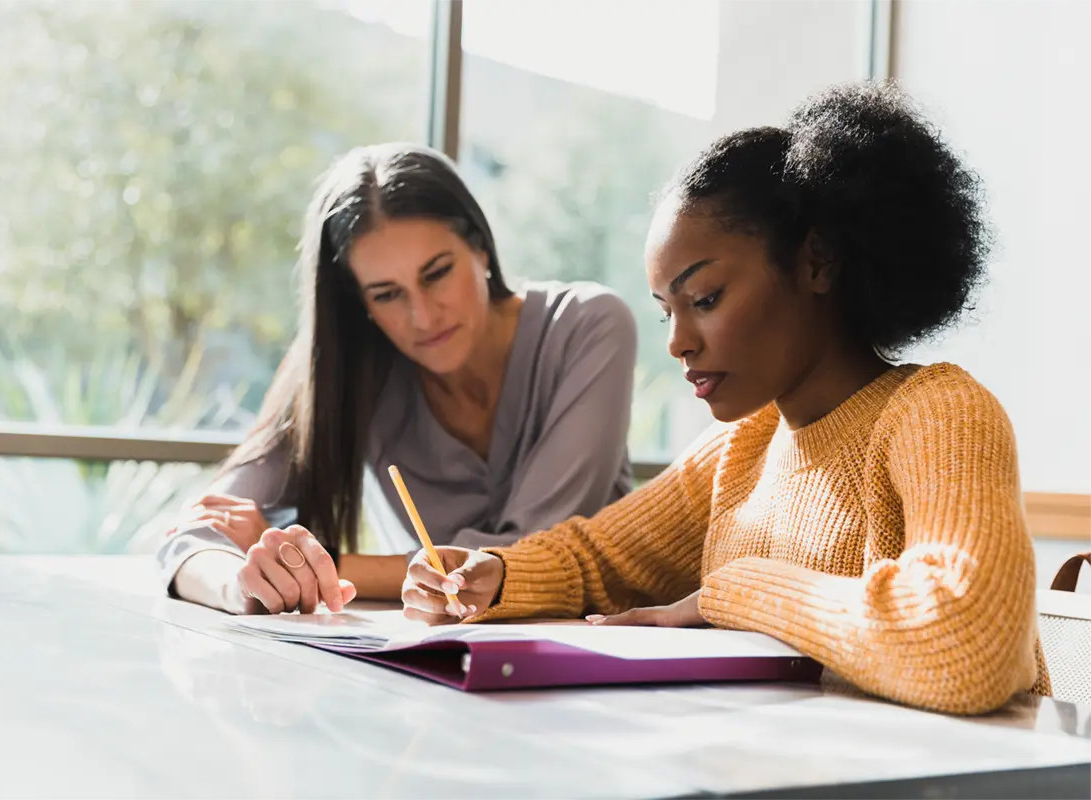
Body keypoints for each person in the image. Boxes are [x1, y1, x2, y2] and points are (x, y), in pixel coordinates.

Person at [401, 83, 1049, 716]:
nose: (679, 343)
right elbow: (596, 559)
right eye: (666, 314)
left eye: (705, 299)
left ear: (817, 262)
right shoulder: (742, 448)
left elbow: (965, 641)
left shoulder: (938, 411)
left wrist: (726, 594)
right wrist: (493, 572)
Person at [159, 143, 637, 615]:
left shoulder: (589, 326)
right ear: (360, 304)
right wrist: (246, 584)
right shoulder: (345, 365)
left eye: (437, 273)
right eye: (387, 294)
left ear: (480, 246)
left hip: (599, 650)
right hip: (424, 663)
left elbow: (527, 555)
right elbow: (198, 535)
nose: (424, 317)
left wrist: (321, 564)